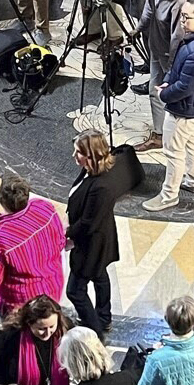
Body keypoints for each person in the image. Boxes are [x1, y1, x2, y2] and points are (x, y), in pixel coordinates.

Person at [146, 0, 194, 211]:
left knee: (173, 152)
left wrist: (164, 94)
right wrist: (169, 79)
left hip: (186, 110)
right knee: (191, 143)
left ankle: (169, 195)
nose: (182, 20)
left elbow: (186, 87)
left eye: (186, 17)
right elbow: (183, 73)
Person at [0, 170, 67, 315]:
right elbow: (60, 242)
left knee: (21, 337)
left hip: (21, 306)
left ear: (1, 200)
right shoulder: (44, 207)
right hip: (53, 291)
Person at [64, 131, 128, 335]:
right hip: (99, 239)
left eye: (79, 152)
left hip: (91, 244)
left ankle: (95, 329)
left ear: (92, 155)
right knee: (100, 275)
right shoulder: (90, 170)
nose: (74, 156)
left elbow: (88, 224)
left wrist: (65, 233)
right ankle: (103, 317)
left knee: (75, 291)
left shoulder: (102, 186)